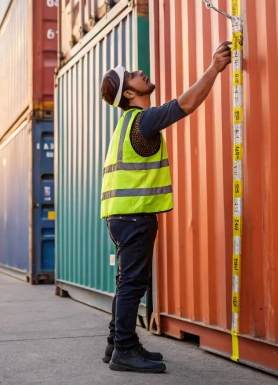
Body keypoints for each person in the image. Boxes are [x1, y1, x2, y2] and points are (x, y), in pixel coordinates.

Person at [99, 41, 232, 373]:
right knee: (133, 283)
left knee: (125, 281)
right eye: (131, 75)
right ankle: (125, 351)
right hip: (135, 217)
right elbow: (184, 105)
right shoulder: (142, 121)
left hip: (120, 217)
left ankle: (116, 342)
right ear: (129, 94)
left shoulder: (123, 126)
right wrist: (214, 67)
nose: (139, 72)